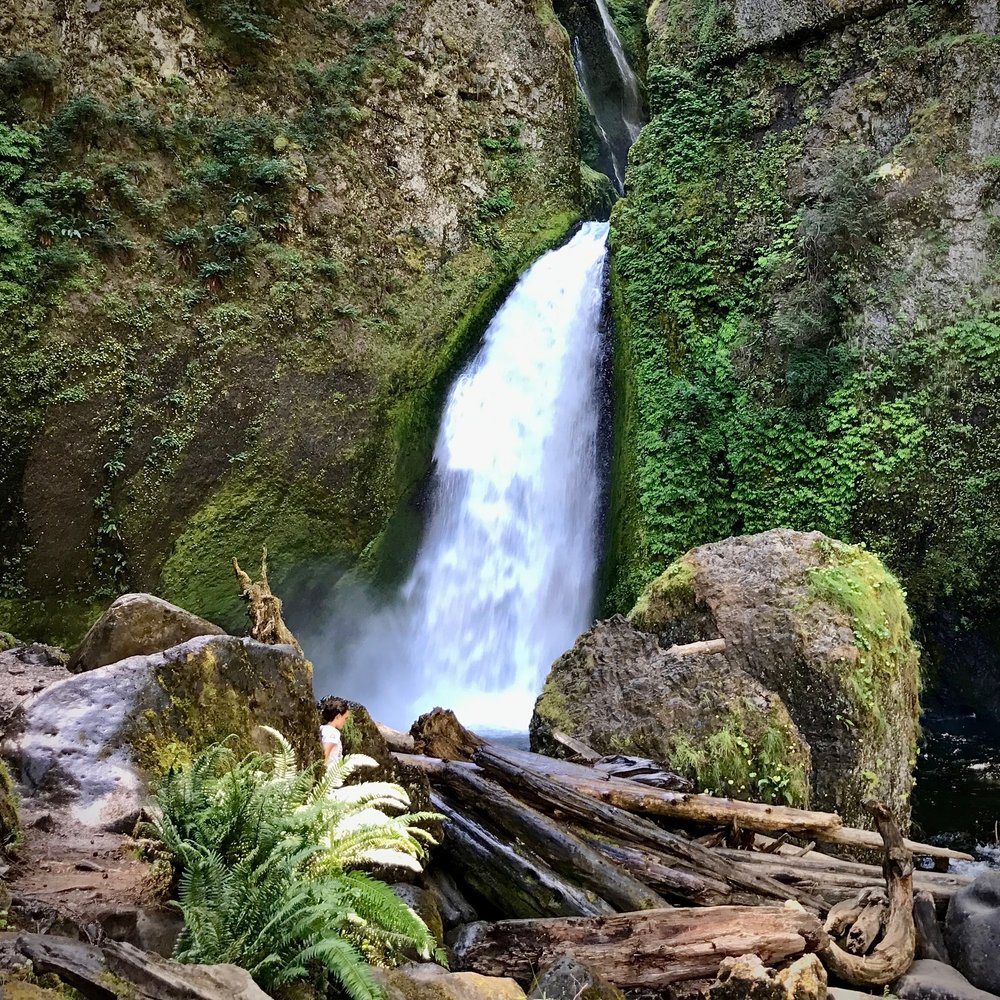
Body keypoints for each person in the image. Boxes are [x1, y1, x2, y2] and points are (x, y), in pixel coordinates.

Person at [319, 697, 351, 765]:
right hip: (329, 774)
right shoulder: (333, 732)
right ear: (338, 716)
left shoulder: (321, 728)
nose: (345, 722)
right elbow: (325, 753)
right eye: (345, 718)